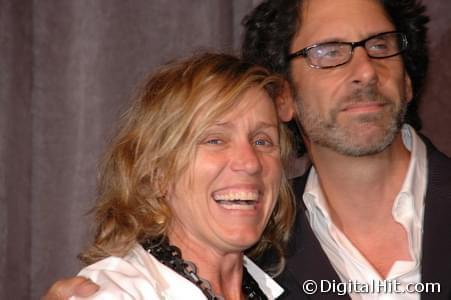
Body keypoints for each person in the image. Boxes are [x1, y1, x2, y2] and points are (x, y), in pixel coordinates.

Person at [44, 0, 451, 299]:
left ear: (408, 80)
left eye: (380, 46)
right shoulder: (253, 240)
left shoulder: (252, 267)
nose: (365, 70)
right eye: (328, 52)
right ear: (284, 98)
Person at [53, 53, 295, 299]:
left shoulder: (276, 287)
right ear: (157, 172)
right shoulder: (114, 292)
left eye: (262, 141)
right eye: (215, 140)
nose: (250, 162)